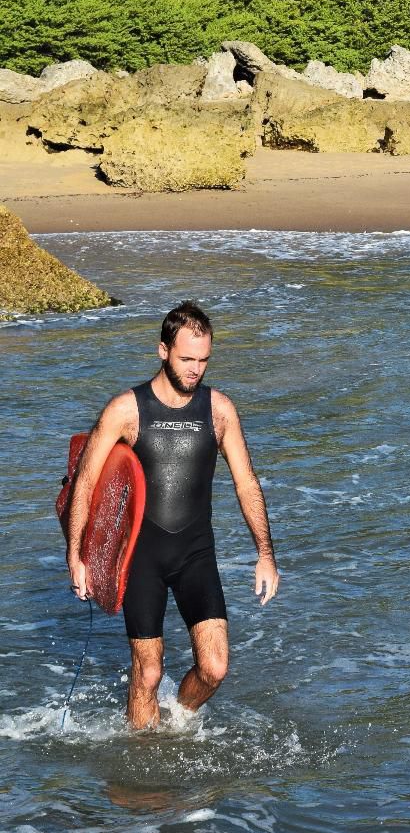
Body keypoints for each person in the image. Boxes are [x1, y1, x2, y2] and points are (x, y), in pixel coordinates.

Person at [66, 302, 279, 730]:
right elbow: (85, 483)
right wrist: (77, 555)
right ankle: (142, 765)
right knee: (147, 672)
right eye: (186, 359)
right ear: (163, 350)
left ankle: (176, 722)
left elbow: (246, 482)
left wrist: (265, 553)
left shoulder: (219, 411)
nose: (196, 369)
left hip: (195, 553)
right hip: (141, 555)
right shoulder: (125, 410)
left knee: (215, 668)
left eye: (203, 360)